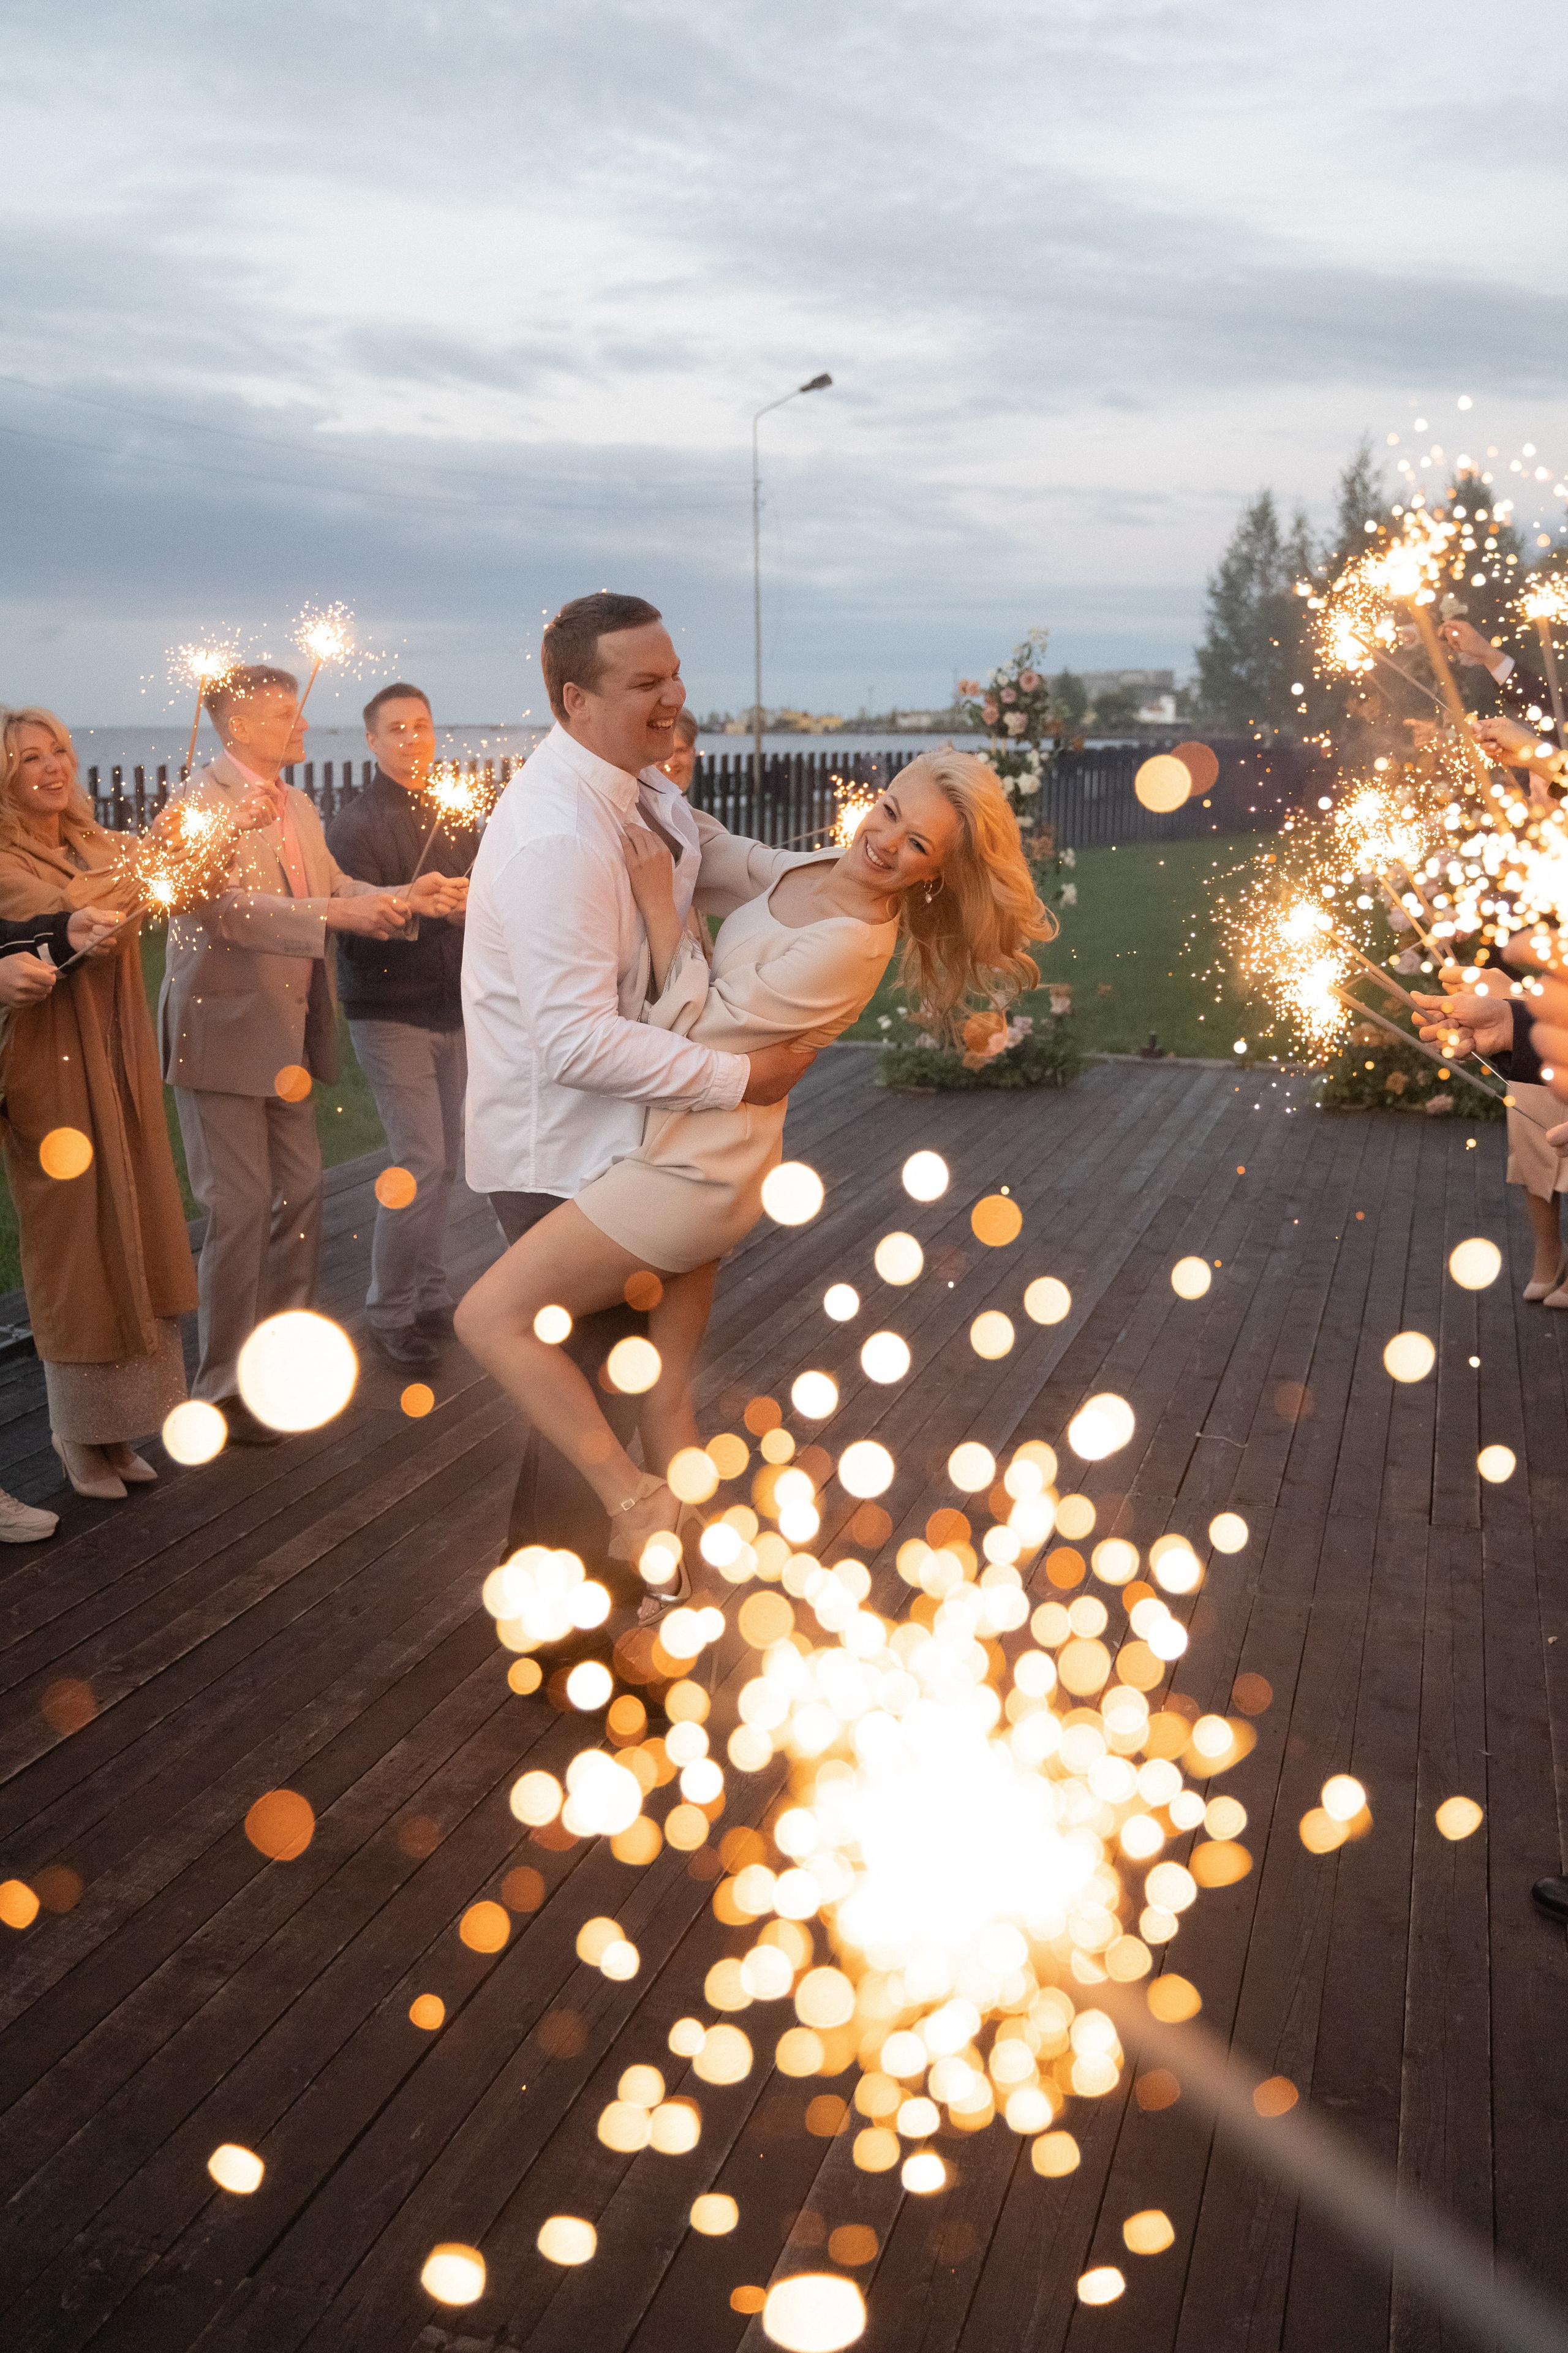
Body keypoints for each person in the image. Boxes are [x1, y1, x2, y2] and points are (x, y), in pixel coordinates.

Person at [456, 742, 1049, 1581]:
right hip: (699, 1149)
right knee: (664, 1398)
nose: (884, 841)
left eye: (917, 844)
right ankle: (685, 1592)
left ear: (936, 876)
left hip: (692, 1177)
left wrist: (664, 911)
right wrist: (633, 790)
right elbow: (717, 852)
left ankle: (632, 1500)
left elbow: (694, 1038)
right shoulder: (815, 870)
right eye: (888, 811)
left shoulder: (851, 943)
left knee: (490, 1319)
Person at [458, 591, 830, 1655]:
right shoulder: (555, 835)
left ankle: (569, 1612)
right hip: (559, 1152)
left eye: (674, 674)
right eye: (644, 682)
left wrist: (845, 885)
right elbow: (572, 1042)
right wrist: (740, 1079)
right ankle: (568, 1626)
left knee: (612, 1386)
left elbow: (718, 858)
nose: (673, 698)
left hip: (631, 1142)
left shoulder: (636, 791)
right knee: (598, 1387)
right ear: (575, 699)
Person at [160, 664, 465, 1440]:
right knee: (236, 1210)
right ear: (239, 727)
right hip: (224, 1030)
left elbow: (338, 882)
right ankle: (223, 1386)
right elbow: (227, 912)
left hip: (292, 1031)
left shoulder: (297, 802)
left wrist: (403, 898)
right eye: (285, 714)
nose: (302, 724)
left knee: (298, 1196)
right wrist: (342, 911)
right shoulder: (199, 804)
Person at [0, 708, 196, 1503]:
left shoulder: (92, 841)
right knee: (77, 1242)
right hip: (50, 1072)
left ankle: (119, 1430)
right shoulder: (8, 859)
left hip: (116, 1062)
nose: (52, 768)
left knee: (138, 1227)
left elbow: (146, 883)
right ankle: (74, 1432)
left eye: (60, 752)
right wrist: (150, 860)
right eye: (29, 758)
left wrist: (182, 836)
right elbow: (89, 909)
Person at [325, 684, 473, 1367]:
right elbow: (351, 935)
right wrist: (425, 911)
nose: (414, 739)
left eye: (422, 725)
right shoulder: (356, 825)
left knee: (449, 1164)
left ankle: (431, 1293)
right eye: (397, 729)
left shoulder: (455, 811)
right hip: (389, 1013)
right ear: (372, 742)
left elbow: (484, 887)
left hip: (455, 1008)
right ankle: (388, 1311)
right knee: (420, 1161)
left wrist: (476, 904)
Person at [660, 708, 699, 793]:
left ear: (693, 753)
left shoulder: (683, 804)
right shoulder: (635, 804)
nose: (671, 762)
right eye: (663, 751)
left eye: (681, 750)